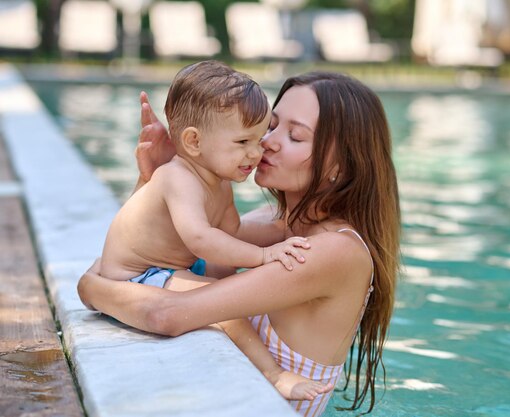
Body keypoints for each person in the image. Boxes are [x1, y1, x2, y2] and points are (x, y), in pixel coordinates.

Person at [78, 71, 401, 416]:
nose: (268, 142)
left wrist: (89, 286)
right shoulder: (272, 223)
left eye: (294, 136)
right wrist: (159, 179)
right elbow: (158, 255)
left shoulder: (335, 252)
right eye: (271, 125)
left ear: (340, 166)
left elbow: (166, 313)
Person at [97, 60, 329, 401]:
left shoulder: (217, 182)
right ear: (193, 142)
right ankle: (274, 374)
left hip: (170, 267)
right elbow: (201, 239)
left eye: (259, 137)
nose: (257, 151)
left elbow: (233, 231)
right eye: (242, 141)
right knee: (226, 309)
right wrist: (265, 256)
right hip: (138, 276)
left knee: (226, 273)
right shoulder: (178, 178)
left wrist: (284, 232)